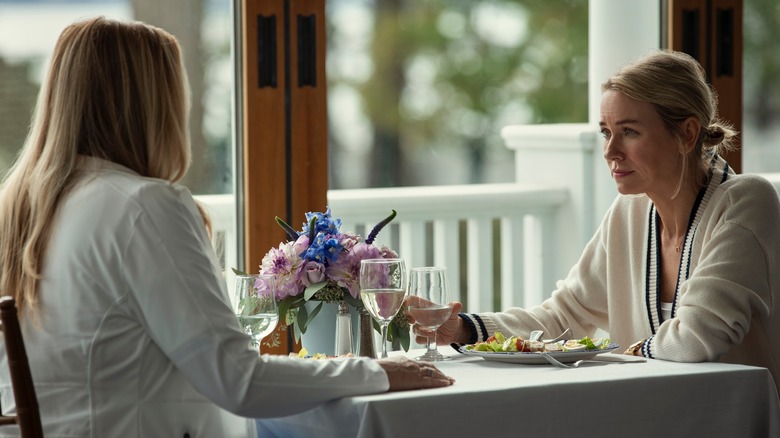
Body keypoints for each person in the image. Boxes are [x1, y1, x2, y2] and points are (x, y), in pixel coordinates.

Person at [0, 17, 452, 437]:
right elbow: (238, 381)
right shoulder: (142, 207)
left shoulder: (23, 208)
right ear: (155, 106)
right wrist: (378, 372)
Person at [419, 50, 780, 392]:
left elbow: (699, 337)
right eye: (606, 132)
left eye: (629, 132)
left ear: (686, 134)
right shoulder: (630, 213)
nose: (610, 151)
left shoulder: (747, 201)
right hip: (651, 415)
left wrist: (622, 355)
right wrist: (466, 329)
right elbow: (565, 314)